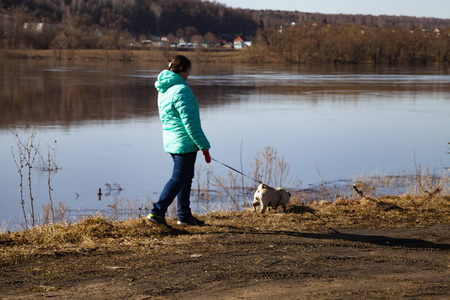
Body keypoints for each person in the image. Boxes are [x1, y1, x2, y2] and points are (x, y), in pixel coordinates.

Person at [147, 55, 211, 229]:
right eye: (189, 70)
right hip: (184, 142)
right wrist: (204, 146)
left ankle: (184, 216)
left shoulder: (165, 88)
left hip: (172, 141)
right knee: (179, 178)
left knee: (185, 178)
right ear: (184, 70)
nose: (189, 74)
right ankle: (157, 212)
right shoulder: (182, 90)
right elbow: (190, 123)